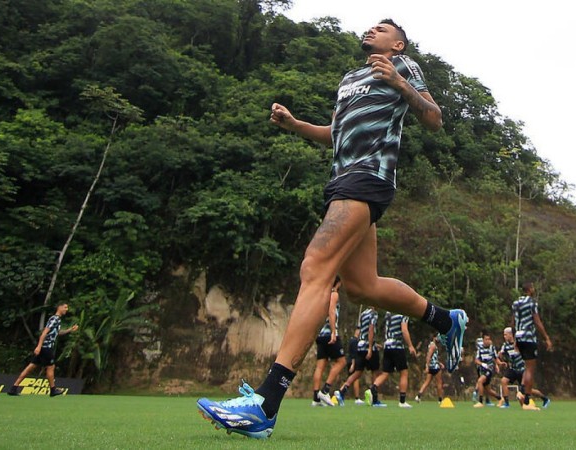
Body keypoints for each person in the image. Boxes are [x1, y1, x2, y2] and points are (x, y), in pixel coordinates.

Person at [197, 18, 468, 439]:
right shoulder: (348, 79)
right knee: (362, 286)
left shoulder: (406, 68)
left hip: (369, 178)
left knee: (315, 268)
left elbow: (434, 119)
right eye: (372, 26)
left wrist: (400, 83)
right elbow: (334, 134)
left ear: (398, 44)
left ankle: (266, 402)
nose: (371, 29)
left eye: (382, 28)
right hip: (342, 180)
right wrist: (295, 125)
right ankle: (445, 319)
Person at [7, 303, 78, 397]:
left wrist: (69, 330)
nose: (67, 309)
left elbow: (57, 333)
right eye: (65, 307)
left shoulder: (57, 320)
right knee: (50, 367)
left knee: (30, 367)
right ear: (59, 307)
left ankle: (14, 388)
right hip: (46, 347)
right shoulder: (54, 319)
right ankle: (53, 390)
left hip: (44, 347)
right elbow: (44, 333)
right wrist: (39, 346)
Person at [512, 282, 553, 411]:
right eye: (533, 287)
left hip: (518, 337)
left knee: (525, 366)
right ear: (529, 290)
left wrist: (514, 340)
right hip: (528, 337)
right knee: (530, 368)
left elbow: (512, 322)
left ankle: (522, 392)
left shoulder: (516, 303)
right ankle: (527, 400)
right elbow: (537, 321)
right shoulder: (531, 302)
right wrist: (546, 337)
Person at [365, 313, 416, 408]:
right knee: (404, 372)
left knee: (385, 372)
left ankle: (372, 389)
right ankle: (402, 401)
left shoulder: (388, 313)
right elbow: (404, 330)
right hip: (397, 346)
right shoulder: (403, 312)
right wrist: (410, 346)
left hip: (387, 346)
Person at [311, 277, 347, 406]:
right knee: (341, 362)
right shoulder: (334, 294)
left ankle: (316, 398)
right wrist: (333, 332)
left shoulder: (322, 294)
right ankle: (325, 391)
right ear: (338, 283)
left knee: (320, 365)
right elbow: (332, 312)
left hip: (320, 334)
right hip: (328, 333)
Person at [336, 306, 380, 405]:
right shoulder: (374, 314)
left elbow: (361, 331)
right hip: (369, 347)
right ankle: (374, 397)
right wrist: (370, 347)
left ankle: (342, 391)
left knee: (358, 372)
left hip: (360, 345)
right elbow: (371, 330)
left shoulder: (363, 313)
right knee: (375, 371)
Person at [497, 327, 550, 409]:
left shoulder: (519, 343)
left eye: (505, 334)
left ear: (511, 335)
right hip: (513, 369)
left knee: (528, 390)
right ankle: (507, 403)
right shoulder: (505, 345)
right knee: (504, 381)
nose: (504, 336)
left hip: (522, 369)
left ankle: (545, 398)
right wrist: (501, 361)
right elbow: (500, 354)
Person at [472, 331, 500, 408]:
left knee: (480, 381)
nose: (488, 341)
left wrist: (499, 364)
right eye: (486, 339)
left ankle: (480, 402)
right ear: (483, 340)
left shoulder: (492, 348)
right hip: (483, 370)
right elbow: (476, 360)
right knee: (488, 390)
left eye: (489, 339)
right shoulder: (480, 349)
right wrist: (482, 364)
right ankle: (500, 398)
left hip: (490, 369)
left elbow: (495, 358)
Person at [415, 334, 445, 404]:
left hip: (433, 365)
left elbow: (433, 357)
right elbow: (428, 356)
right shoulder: (433, 345)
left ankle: (418, 396)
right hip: (434, 367)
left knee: (427, 382)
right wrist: (427, 366)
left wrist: (439, 363)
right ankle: (440, 400)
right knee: (439, 383)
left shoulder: (433, 345)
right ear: (434, 338)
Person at [345, 326, 364, 404]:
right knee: (355, 379)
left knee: (351, 378)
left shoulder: (355, 340)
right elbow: (353, 353)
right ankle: (356, 398)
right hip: (353, 361)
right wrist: (353, 364)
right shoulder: (354, 341)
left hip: (352, 361)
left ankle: (341, 392)